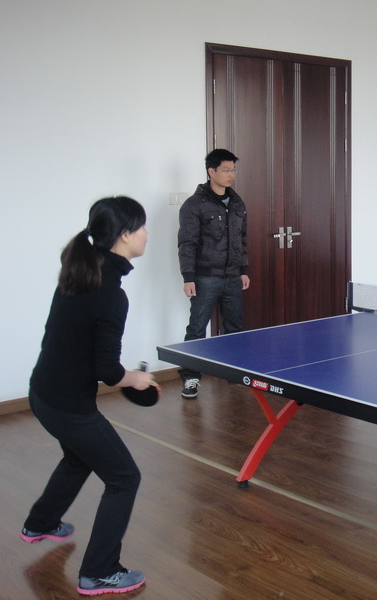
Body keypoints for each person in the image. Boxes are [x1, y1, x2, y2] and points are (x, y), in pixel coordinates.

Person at [20, 196, 155, 596]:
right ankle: (99, 572)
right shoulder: (109, 292)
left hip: (42, 393)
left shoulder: (79, 272)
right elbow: (108, 371)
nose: (146, 233)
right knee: (124, 478)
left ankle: (40, 523)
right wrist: (136, 379)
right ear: (125, 235)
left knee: (78, 458)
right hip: (69, 406)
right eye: (141, 227)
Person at [177, 148, 250, 399]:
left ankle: (234, 372)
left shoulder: (238, 203)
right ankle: (190, 377)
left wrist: (243, 270)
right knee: (197, 329)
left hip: (232, 277)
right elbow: (187, 243)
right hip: (205, 278)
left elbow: (242, 240)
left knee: (234, 328)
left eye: (234, 170)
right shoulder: (194, 205)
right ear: (211, 171)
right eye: (226, 170)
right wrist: (188, 277)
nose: (231, 175)